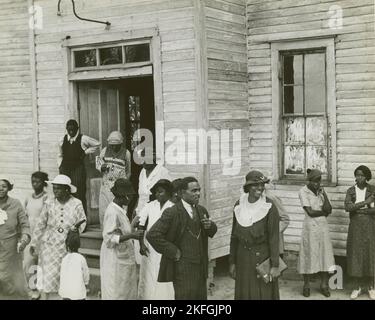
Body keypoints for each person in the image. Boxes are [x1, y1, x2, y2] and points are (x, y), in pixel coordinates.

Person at [147, 177, 217, 300]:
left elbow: (211, 231)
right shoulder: (172, 212)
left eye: (199, 190)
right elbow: (152, 234)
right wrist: (173, 251)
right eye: (194, 190)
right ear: (182, 193)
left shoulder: (201, 210)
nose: (198, 193)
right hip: (182, 269)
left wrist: (210, 226)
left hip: (200, 268)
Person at [30, 175, 86, 300]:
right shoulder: (49, 202)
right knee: (48, 276)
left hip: (67, 245)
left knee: (65, 276)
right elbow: (41, 223)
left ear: (67, 189)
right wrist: (34, 243)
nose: (55, 191)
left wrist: (75, 231)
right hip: (49, 245)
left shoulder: (76, 203)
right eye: (54, 188)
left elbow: (83, 221)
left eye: (59, 189)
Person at [229, 170, 280, 300]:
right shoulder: (239, 205)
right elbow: (234, 237)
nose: (260, 188)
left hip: (262, 257)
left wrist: (275, 265)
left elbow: (274, 237)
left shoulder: (269, 206)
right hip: (243, 258)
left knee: (262, 293)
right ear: (247, 187)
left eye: (262, 185)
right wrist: (232, 262)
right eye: (255, 185)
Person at [100, 178, 143, 300]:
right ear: (124, 196)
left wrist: (133, 224)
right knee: (116, 290)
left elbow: (122, 230)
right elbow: (109, 238)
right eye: (129, 196)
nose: (130, 199)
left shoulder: (120, 210)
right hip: (114, 257)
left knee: (125, 289)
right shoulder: (113, 212)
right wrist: (132, 236)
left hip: (123, 255)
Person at [298, 169, 335, 298]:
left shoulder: (320, 191)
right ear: (309, 181)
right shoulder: (303, 192)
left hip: (323, 227)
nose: (317, 184)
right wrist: (323, 213)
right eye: (314, 181)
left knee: (325, 254)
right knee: (308, 254)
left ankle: (324, 285)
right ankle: (306, 285)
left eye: (319, 181)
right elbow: (310, 212)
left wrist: (324, 194)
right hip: (310, 227)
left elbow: (329, 209)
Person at [137, 179, 175, 300]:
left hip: (165, 245)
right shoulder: (150, 205)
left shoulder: (173, 207)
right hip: (149, 245)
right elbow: (141, 225)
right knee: (148, 275)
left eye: (161, 192)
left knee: (163, 273)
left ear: (169, 193)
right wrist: (141, 244)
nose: (158, 194)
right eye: (156, 192)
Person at [134, 151, 171, 264]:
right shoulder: (142, 172)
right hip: (141, 208)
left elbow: (169, 192)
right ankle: (143, 268)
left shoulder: (162, 171)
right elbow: (140, 193)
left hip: (156, 209)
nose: (143, 163)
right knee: (140, 237)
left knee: (153, 235)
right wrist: (136, 209)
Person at [57, 119, 100, 215]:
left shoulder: (83, 138)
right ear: (66, 129)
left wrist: (86, 151)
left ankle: (81, 220)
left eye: (73, 130)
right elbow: (60, 155)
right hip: (65, 169)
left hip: (78, 169)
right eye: (69, 130)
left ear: (77, 129)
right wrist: (60, 166)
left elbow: (97, 144)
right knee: (65, 193)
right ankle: (67, 218)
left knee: (79, 193)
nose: (71, 132)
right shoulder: (62, 140)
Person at [344, 165, 375, 300]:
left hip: (369, 225)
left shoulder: (373, 190)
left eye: (362, 175)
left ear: (367, 176)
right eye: (357, 175)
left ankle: (370, 287)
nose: (359, 178)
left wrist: (359, 209)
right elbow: (347, 207)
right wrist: (365, 203)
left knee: (370, 253)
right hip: (355, 226)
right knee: (355, 254)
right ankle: (356, 287)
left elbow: (373, 210)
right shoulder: (351, 190)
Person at [0, 179, 30, 298]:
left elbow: (25, 225)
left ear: (9, 188)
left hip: (10, 249)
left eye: (4, 186)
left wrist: (24, 239)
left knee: (7, 278)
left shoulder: (16, 204)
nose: (0, 189)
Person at [96, 131, 131, 229]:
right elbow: (98, 164)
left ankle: (120, 233)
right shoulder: (104, 151)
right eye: (112, 145)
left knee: (119, 210)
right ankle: (105, 233)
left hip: (119, 187)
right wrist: (101, 167)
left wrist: (124, 184)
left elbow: (128, 171)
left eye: (117, 145)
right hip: (106, 185)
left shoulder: (126, 153)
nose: (114, 147)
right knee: (104, 210)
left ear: (121, 144)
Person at [23, 171, 49, 300]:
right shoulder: (28, 197)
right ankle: (33, 289)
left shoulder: (47, 198)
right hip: (30, 236)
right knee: (29, 263)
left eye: (37, 181)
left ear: (43, 183)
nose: (34, 184)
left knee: (41, 264)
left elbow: (48, 218)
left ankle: (41, 289)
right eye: (33, 181)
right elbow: (25, 217)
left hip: (43, 236)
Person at [58, 220, 89, 300]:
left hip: (65, 293)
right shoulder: (81, 259)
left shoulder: (64, 259)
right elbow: (86, 274)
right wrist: (86, 283)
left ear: (67, 245)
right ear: (79, 244)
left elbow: (62, 275)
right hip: (78, 294)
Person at [265, 185, 290, 258]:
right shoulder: (249, 200)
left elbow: (285, 219)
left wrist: (273, 232)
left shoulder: (271, 198)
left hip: (273, 244)